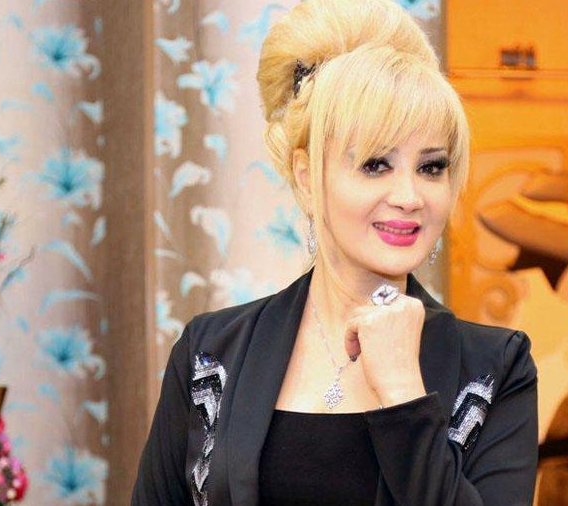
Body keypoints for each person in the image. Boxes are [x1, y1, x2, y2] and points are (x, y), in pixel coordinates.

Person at [131, 0, 538, 505]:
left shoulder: (496, 368)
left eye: (431, 167)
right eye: (375, 164)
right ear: (307, 177)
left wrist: (403, 391)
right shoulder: (210, 354)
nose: (409, 196)